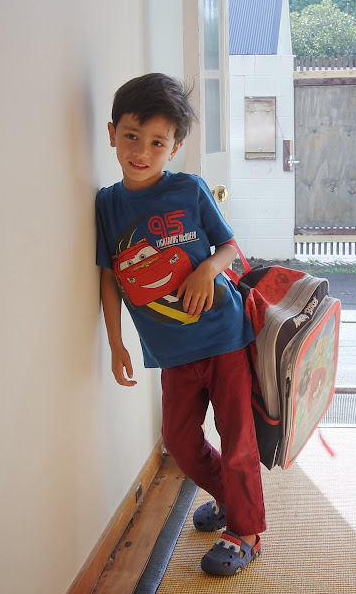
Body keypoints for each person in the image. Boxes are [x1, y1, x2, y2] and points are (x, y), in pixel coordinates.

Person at [95, 73, 265, 576]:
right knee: (179, 443)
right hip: (171, 351)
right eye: (132, 136)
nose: (142, 151)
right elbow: (108, 277)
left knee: (237, 439)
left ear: (175, 147)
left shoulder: (189, 189)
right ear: (112, 133)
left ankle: (246, 533)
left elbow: (230, 247)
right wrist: (115, 343)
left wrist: (208, 268)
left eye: (157, 142)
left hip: (224, 336)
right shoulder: (107, 205)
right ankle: (232, 499)